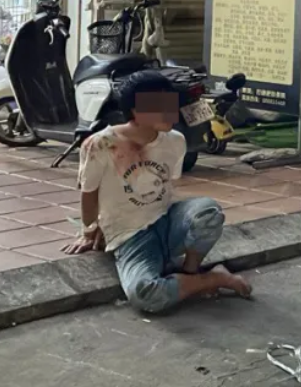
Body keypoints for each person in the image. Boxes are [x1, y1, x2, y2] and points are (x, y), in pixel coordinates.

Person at [62, 71, 251, 313]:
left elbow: (167, 186)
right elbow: (89, 193)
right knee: (144, 294)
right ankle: (212, 279)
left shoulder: (175, 141)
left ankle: (189, 273)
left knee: (208, 211)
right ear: (135, 110)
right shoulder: (99, 144)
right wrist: (89, 231)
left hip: (167, 221)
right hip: (130, 237)